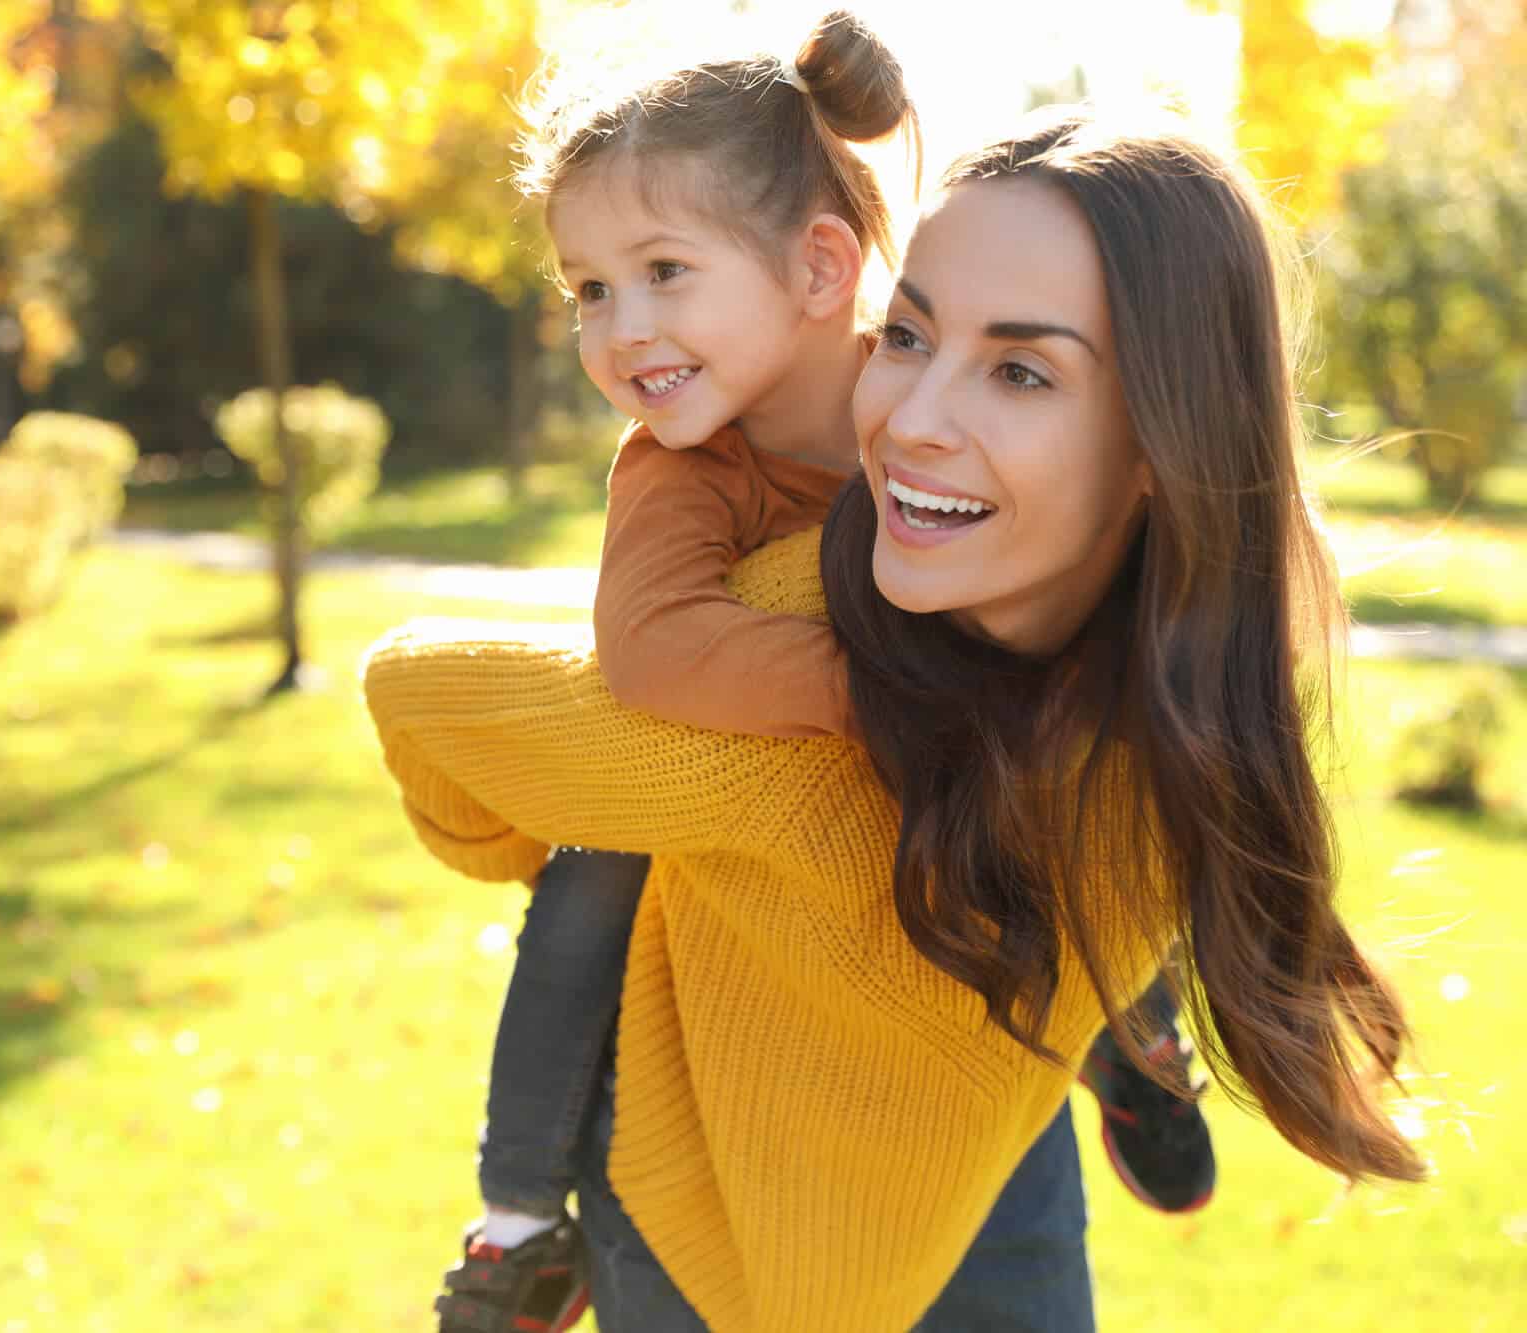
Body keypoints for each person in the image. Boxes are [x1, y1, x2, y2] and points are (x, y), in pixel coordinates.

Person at [369, 98, 1426, 1333]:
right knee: (595, 876)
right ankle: (519, 1213)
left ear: (1168, 447)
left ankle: (1130, 1057)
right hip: (704, 1213)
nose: (910, 421)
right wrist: (635, 780)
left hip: (975, 1168)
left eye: (1021, 370)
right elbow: (422, 695)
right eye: (911, 336)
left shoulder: (1183, 688)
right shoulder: (790, 644)